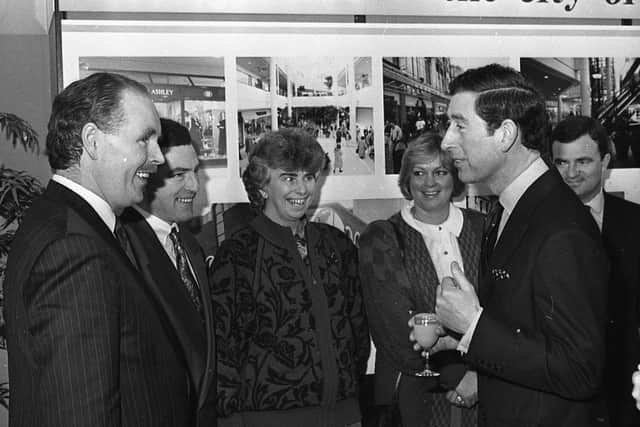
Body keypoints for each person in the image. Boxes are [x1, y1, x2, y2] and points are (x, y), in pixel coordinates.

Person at [2, 72, 205, 426]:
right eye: (145, 140)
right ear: (92, 141)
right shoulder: (73, 247)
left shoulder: (70, 224)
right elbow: (80, 412)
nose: (158, 157)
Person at [414, 64, 609, 427]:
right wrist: (461, 337)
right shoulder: (510, 209)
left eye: (459, 125)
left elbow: (580, 371)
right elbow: (526, 329)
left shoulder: (559, 228)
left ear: (504, 135)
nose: (446, 141)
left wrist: (473, 326)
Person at [210, 128, 370, 427]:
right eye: (288, 178)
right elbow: (223, 348)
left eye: (308, 177)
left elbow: (357, 330)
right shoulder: (238, 253)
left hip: (344, 416)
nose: (302, 189)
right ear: (263, 184)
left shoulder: (335, 244)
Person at [359, 133, 483, 427]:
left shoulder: (483, 228)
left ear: (455, 178)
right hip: (414, 394)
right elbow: (394, 325)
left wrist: (480, 379)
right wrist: (459, 375)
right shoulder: (381, 237)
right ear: (406, 180)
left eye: (440, 172)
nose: (429, 183)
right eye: (419, 172)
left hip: (482, 389)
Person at [120, 118, 217, 426]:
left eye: (195, 172)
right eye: (179, 175)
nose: (194, 186)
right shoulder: (120, 248)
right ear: (145, 175)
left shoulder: (188, 243)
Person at [551, 115, 640, 427]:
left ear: (604, 162)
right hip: (558, 397)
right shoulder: (534, 228)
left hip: (626, 392)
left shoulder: (636, 222)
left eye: (583, 161)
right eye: (561, 163)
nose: (571, 173)